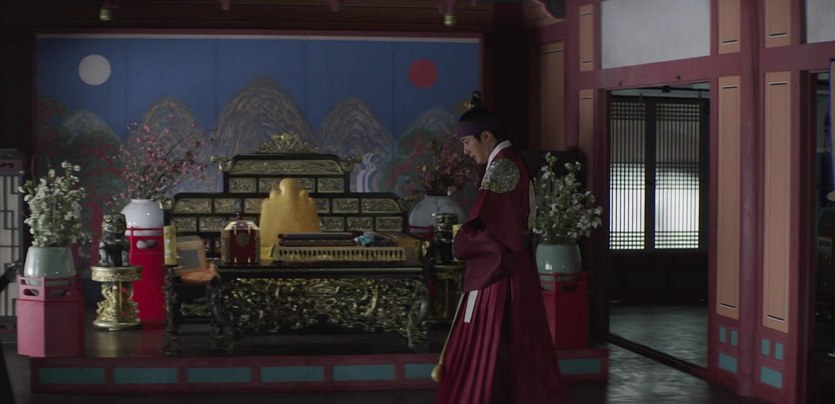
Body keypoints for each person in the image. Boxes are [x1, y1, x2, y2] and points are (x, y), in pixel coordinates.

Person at [433, 92, 568, 403]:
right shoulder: (506, 162)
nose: (465, 150)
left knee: (493, 343)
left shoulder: (503, 168)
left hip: (501, 273)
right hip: (510, 268)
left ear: (486, 136)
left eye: (467, 142)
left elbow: (495, 233)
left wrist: (460, 241)